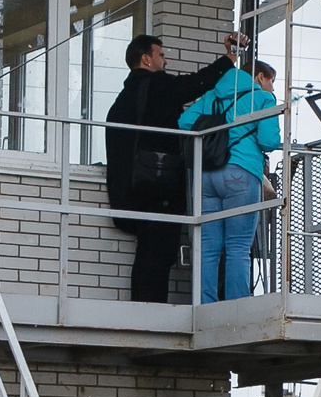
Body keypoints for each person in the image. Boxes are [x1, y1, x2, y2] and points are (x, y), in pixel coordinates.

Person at [103, 31, 244, 302]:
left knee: (148, 250)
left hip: (132, 189)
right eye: (161, 55)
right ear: (146, 59)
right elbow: (196, 84)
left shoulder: (122, 100)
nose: (165, 61)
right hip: (159, 188)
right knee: (159, 250)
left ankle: (144, 305)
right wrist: (228, 58)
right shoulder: (157, 86)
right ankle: (151, 309)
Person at [188, 57, 281, 304]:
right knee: (238, 246)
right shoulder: (262, 98)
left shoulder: (212, 96)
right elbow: (269, 140)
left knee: (208, 246)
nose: (273, 88)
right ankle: (236, 305)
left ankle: (204, 303)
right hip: (240, 173)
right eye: (272, 82)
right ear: (260, 77)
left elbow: (185, 122)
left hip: (207, 174)